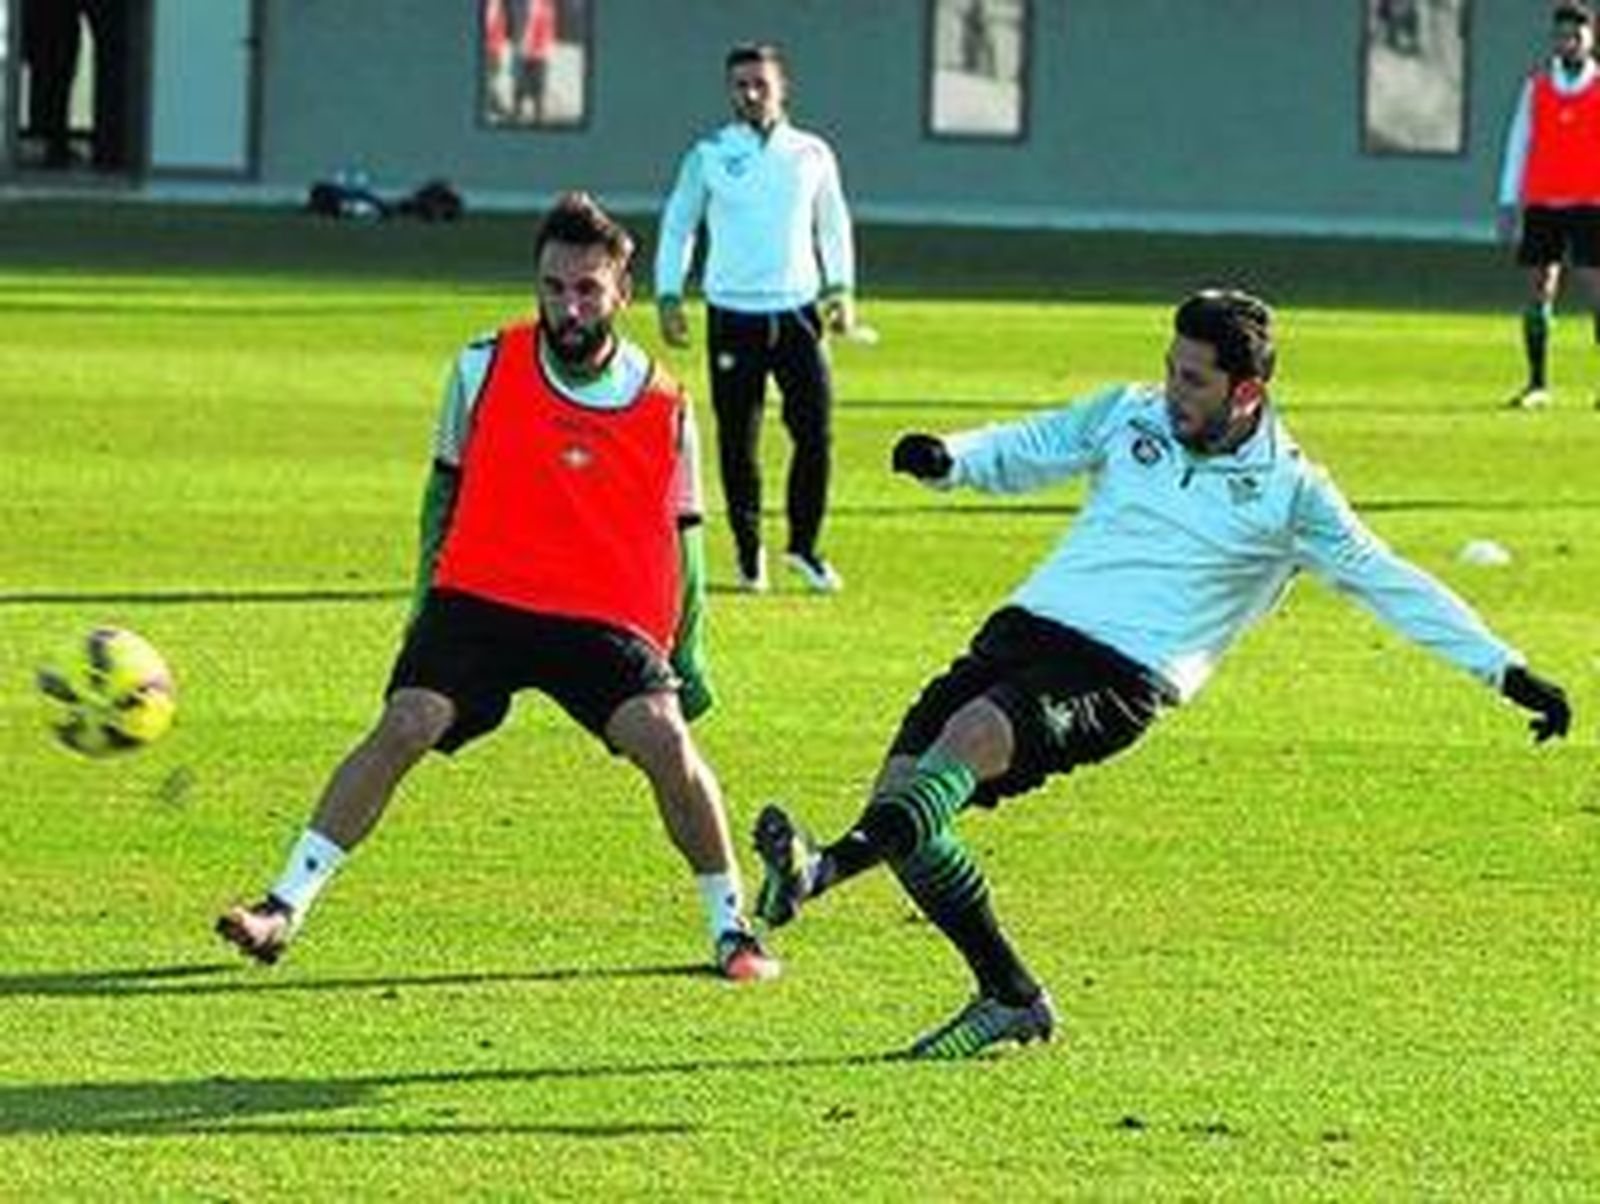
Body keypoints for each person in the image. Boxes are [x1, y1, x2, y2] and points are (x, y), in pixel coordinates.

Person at [752, 289, 1573, 1059]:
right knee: (907, 803)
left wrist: (1506, 670)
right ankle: (1010, 995)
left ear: (1245, 392)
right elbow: (1038, 445)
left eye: (1194, 378)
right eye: (1171, 367)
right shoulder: (1129, 413)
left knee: (968, 744)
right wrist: (950, 460)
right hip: (1024, 633)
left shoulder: (1293, 493)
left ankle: (821, 869)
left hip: (1124, 674)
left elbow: (1392, 582)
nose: (1172, 388)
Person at [218, 192, 779, 983]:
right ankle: (282, 906)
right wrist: (423, 605)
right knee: (406, 721)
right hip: (481, 598)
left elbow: (685, 534)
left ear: (622, 291)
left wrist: (689, 651)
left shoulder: (666, 403)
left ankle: (732, 928)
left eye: (587, 289)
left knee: (666, 740)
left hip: (599, 612)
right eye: (553, 287)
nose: (568, 307)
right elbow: (441, 496)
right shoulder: (482, 366)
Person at [654, 42, 858, 594]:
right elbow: (679, 224)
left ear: (781, 86)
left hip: (797, 311)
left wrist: (841, 289)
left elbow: (833, 224)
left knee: (815, 433)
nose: (750, 94)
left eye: (759, 83)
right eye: (740, 85)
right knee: (737, 442)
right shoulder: (711, 154)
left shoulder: (810, 153)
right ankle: (750, 558)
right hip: (733, 314)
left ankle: (805, 549)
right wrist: (669, 295)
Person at [1496, 1, 1600, 410]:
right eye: (1561, 36)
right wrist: (1508, 201)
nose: (1567, 43)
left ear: (1589, 39)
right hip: (1544, 202)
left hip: (1591, 204)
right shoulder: (1536, 87)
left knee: (1596, 289)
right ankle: (1537, 383)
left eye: (1575, 36)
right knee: (1541, 290)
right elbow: (1518, 143)